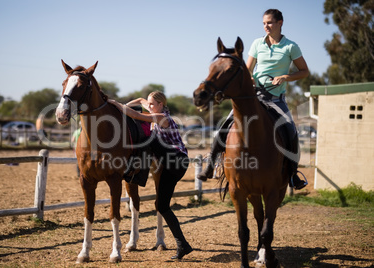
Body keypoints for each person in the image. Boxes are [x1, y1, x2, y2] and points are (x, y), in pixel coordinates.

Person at [197, 9, 309, 190]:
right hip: (254, 96)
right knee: (223, 127)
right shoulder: (257, 44)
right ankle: (210, 165)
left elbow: (305, 71)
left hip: (275, 99)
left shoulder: (291, 47)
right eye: (264, 23)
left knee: (291, 131)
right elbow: (248, 70)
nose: (266, 26)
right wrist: (247, 79)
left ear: (280, 23)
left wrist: (285, 77)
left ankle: (293, 174)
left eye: (270, 23)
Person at [109, 91, 193, 260]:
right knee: (162, 206)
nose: (149, 106)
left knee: (149, 139)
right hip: (168, 166)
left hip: (177, 160)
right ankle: (183, 245)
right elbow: (140, 101)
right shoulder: (155, 111)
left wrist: (115, 104)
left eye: (152, 104)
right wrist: (138, 102)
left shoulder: (162, 117)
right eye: (150, 104)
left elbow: (134, 114)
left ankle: (136, 173)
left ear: (161, 105)